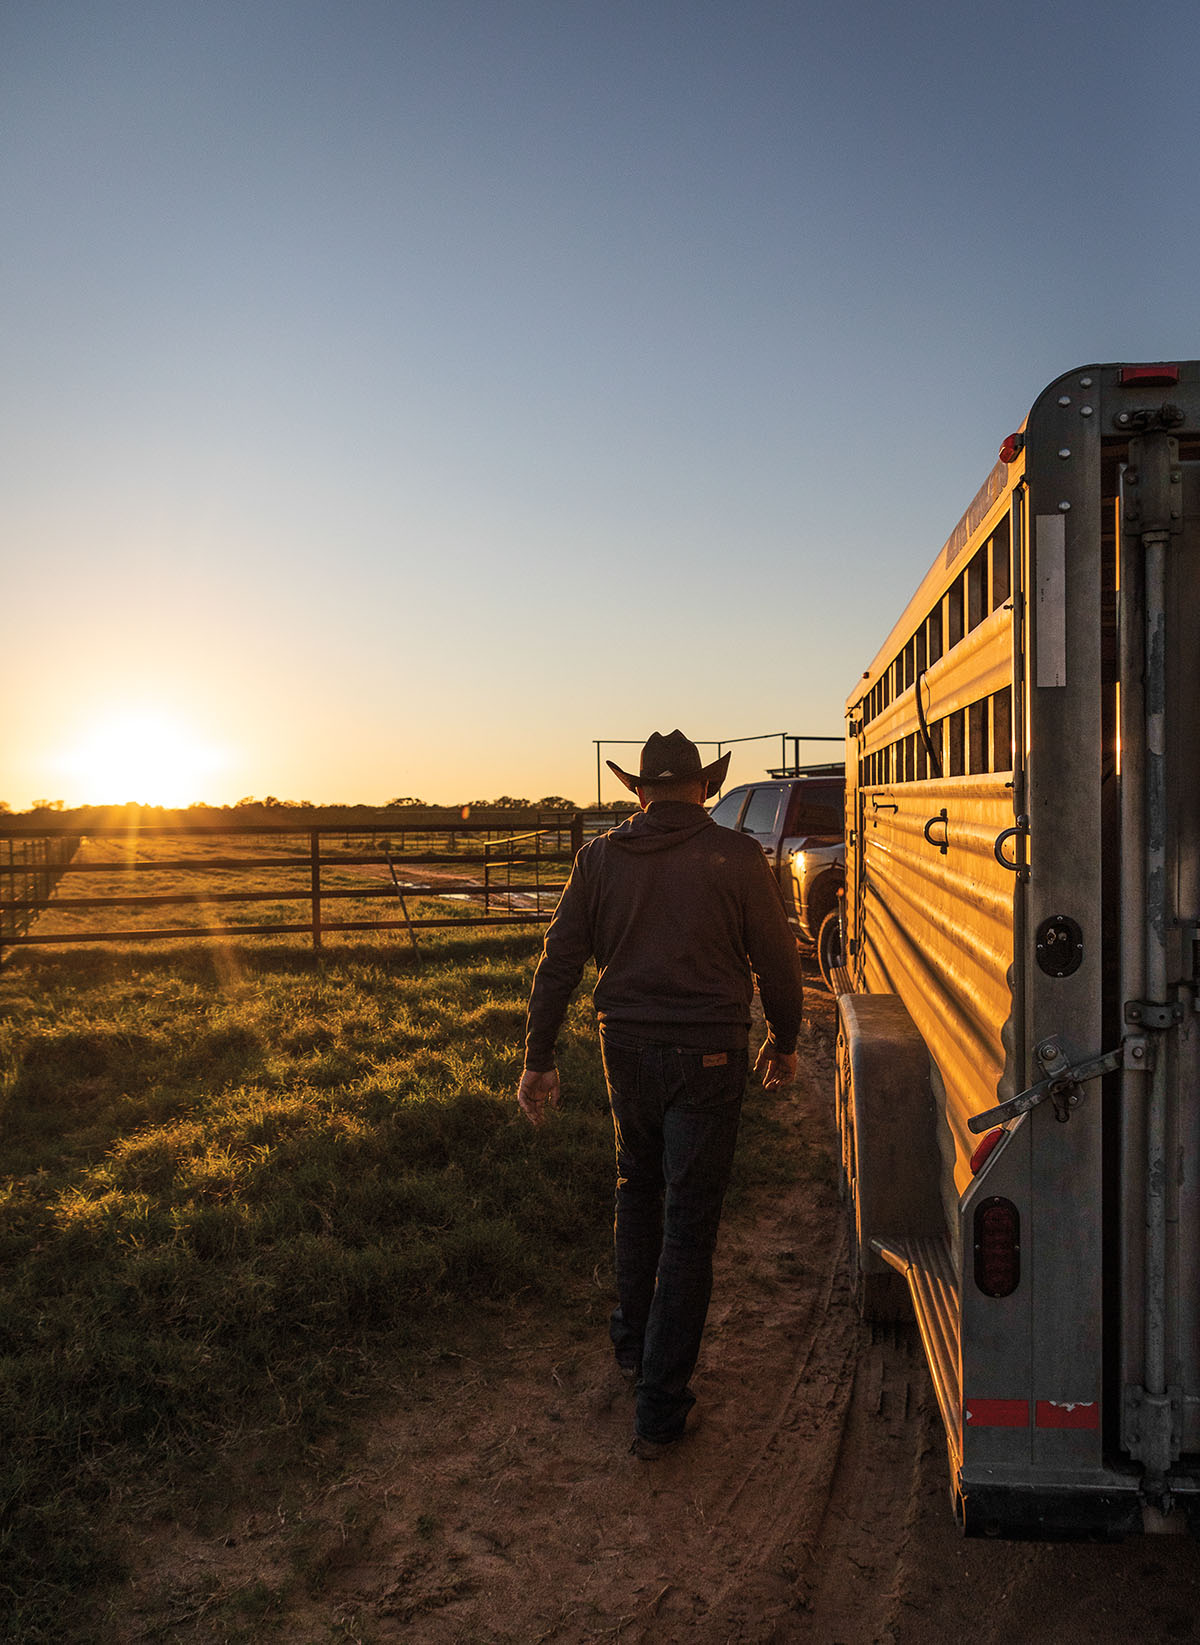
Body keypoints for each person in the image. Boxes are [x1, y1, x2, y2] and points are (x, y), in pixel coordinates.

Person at [516, 729, 804, 1458]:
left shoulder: (600, 857)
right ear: (703, 789)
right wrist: (787, 1038)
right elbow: (777, 960)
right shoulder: (737, 857)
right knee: (688, 1223)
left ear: (640, 793)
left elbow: (558, 963)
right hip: (710, 1053)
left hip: (626, 1048)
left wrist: (538, 1057)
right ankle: (660, 1406)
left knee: (635, 1187)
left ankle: (633, 1344)